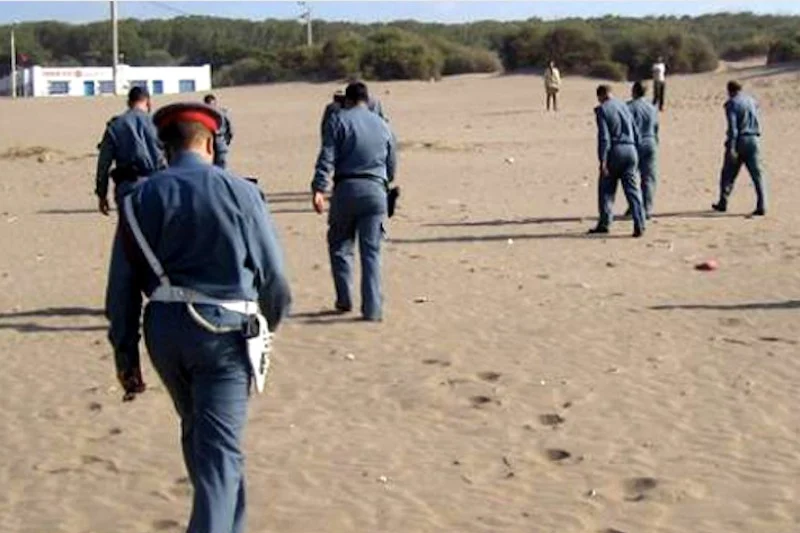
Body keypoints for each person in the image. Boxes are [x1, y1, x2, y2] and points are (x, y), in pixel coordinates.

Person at [106, 101, 292, 533]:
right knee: (219, 454)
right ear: (210, 143)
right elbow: (275, 279)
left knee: (203, 438)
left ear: (165, 147)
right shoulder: (241, 192)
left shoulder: (138, 199)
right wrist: (268, 325)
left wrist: (125, 355)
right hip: (224, 332)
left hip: (164, 332)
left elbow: (120, 289)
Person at [311, 81, 397, 321]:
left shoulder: (338, 120)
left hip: (346, 188)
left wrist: (319, 188)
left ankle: (344, 299)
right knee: (371, 253)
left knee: (340, 245)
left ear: (347, 100)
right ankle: (372, 308)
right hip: (376, 190)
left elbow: (327, 156)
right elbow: (391, 164)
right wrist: (384, 181)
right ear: (366, 100)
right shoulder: (383, 124)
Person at [96, 86, 165, 370]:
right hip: (159, 188)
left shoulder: (117, 125)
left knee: (128, 249)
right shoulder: (157, 123)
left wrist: (100, 192)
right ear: (147, 102)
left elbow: (104, 162)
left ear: (129, 101)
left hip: (128, 191)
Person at [588, 84, 646, 238]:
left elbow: (604, 137)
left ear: (600, 96)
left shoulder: (602, 110)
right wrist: (637, 151)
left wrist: (603, 160)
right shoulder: (624, 106)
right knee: (633, 191)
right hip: (631, 149)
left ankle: (605, 223)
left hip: (615, 151)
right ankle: (640, 223)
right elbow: (636, 131)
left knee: (606, 190)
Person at [712, 80, 767, 216]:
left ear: (729, 91)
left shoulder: (732, 104)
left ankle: (723, 201)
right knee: (757, 175)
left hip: (740, 140)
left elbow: (733, 128)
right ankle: (762, 204)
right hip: (753, 138)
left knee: (728, 173)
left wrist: (731, 147)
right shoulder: (751, 101)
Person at [627, 81, 660, 219]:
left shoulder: (629, 107)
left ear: (634, 91)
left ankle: (634, 205)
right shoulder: (652, 108)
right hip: (650, 142)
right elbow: (656, 127)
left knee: (631, 177)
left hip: (635, 143)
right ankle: (646, 208)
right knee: (649, 178)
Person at [203, 93, 234, 168]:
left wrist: (225, 142)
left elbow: (230, 130)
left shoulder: (222, 114)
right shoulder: (203, 115)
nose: (211, 107)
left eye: (212, 104)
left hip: (219, 143)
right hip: (208, 145)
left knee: (221, 166)